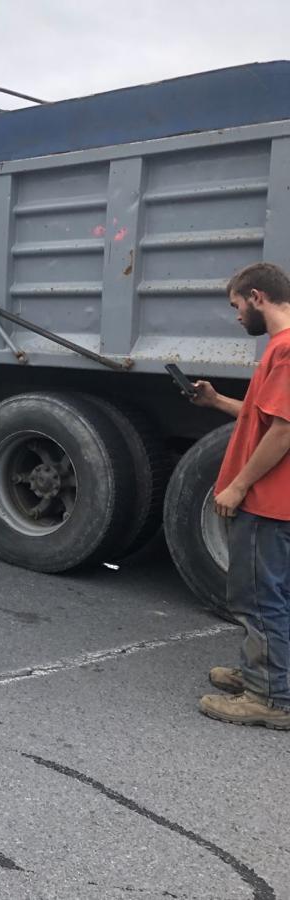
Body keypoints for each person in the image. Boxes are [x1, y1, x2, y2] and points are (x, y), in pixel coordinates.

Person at [191, 261, 290, 730]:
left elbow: (283, 433)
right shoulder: (280, 348)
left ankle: (269, 697)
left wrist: (237, 484)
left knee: (257, 597)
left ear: (256, 297)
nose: (236, 317)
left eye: (236, 306)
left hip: (270, 501)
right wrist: (216, 402)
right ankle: (265, 674)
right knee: (274, 594)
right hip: (275, 499)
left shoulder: (287, 349)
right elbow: (263, 417)